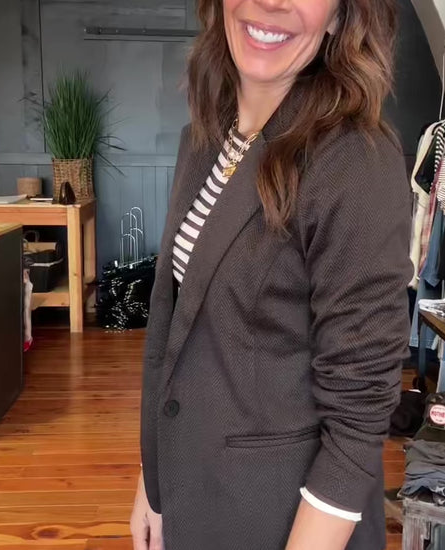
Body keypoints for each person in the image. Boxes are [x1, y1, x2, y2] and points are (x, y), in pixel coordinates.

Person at [130, 0, 411, 548]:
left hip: (281, 519)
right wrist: (154, 476)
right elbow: (179, 330)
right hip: (195, 490)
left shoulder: (355, 159)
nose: (273, 3)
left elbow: (358, 417)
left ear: (339, 17)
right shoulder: (206, 137)